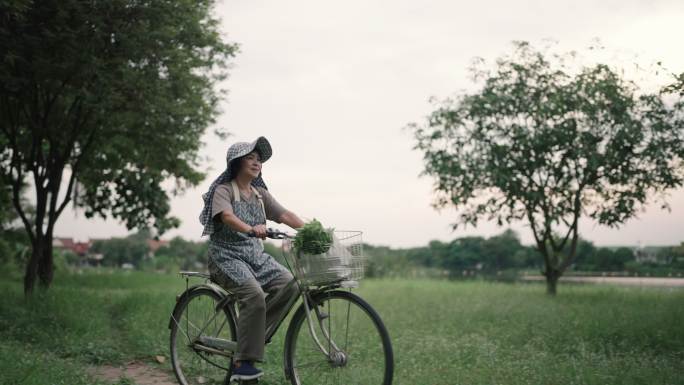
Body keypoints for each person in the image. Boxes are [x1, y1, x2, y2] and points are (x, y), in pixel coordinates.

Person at [199, 136, 305, 382]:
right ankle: (242, 362)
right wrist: (249, 228)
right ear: (236, 163)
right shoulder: (223, 190)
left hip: (255, 256)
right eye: (250, 158)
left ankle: (251, 337)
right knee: (254, 294)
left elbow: (285, 214)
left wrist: (312, 229)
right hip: (225, 256)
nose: (256, 162)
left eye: (258, 159)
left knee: (291, 283)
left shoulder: (260, 194)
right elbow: (226, 216)